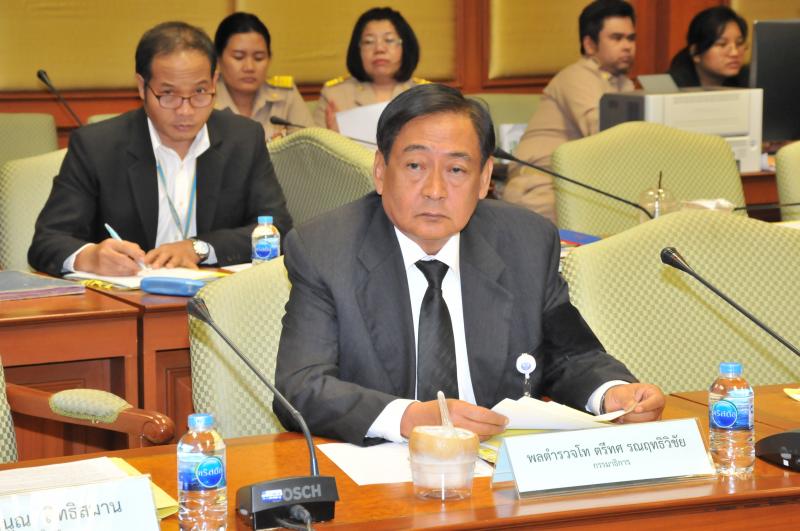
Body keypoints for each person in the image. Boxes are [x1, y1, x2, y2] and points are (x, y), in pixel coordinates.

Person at [274, 83, 665, 446]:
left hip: (499, 470)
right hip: (382, 468)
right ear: (380, 171)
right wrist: (407, 417)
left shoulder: (525, 242)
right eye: (415, 166)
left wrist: (612, 393)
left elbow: (570, 355)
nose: (435, 190)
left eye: (456, 170)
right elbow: (301, 386)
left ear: (484, 179)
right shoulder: (326, 248)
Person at [28, 21, 292, 277]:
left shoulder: (243, 139)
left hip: (216, 295)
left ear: (214, 82)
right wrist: (89, 257)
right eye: (168, 94)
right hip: (129, 299)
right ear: (142, 87)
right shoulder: (97, 146)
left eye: (200, 91)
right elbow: (47, 241)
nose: (186, 110)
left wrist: (200, 248)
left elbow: (278, 228)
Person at [503, 0, 636, 222]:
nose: (627, 46)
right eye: (616, 38)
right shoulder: (577, 76)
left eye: (631, 38)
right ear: (590, 44)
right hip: (539, 186)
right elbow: (603, 134)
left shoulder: (623, 84)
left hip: (574, 185)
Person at [313, 7, 428, 131]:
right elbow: (311, 142)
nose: (379, 49)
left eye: (389, 40)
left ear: (405, 47)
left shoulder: (426, 95)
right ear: (358, 50)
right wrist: (332, 137)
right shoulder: (335, 95)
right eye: (369, 42)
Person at [214, 12, 314, 140]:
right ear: (218, 59)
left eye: (259, 58)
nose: (249, 67)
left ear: (269, 59)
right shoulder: (206, 99)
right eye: (239, 57)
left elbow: (311, 143)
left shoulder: (286, 95)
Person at [668, 6, 749, 88]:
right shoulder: (672, 86)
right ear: (695, 52)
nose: (734, 53)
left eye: (739, 43)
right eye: (722, 44)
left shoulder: (748, 80)